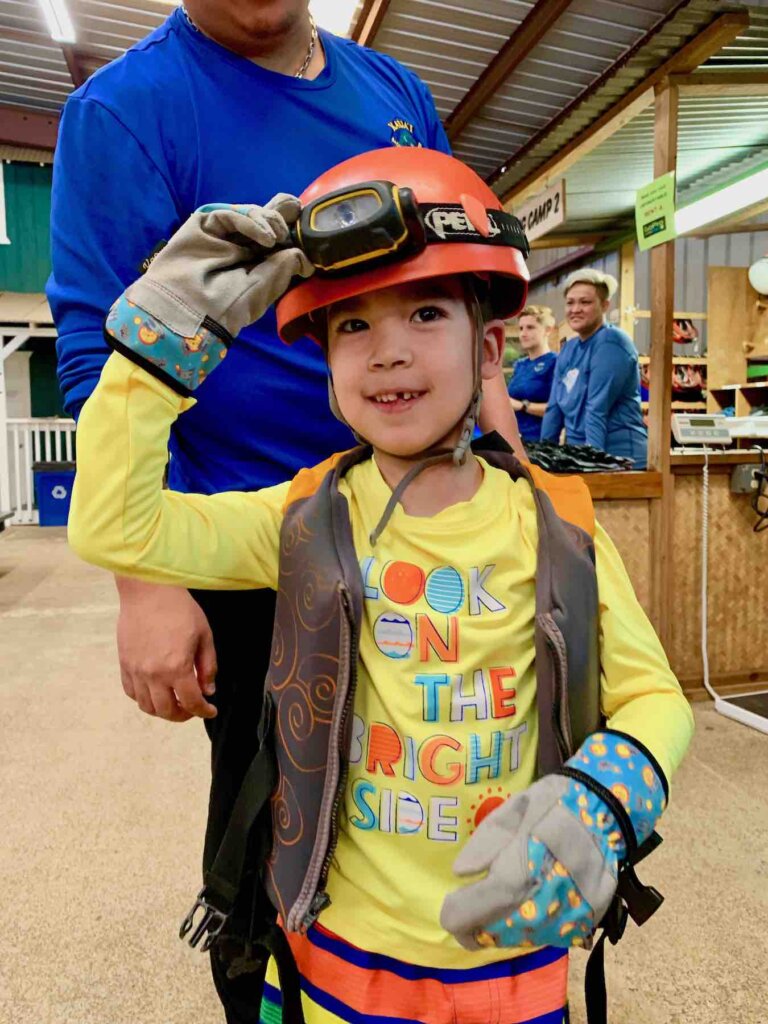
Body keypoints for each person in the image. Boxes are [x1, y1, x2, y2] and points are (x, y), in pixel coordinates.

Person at [68, 147, 693, 1024]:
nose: (388, 352)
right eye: (352, 325)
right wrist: (154, 350)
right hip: (334, 959)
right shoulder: (301, 518)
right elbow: (115, 527)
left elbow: (655, 699)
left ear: (488, 346)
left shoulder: (557, 523)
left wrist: (601, 802)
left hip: (513, 963)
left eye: (426, 311)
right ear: (322, 362)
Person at [46, 4, 520, 1018]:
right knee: (276, 829)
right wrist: (149, 580)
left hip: (429, 511)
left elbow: (458, 279)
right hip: (263, 545)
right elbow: (94, 348)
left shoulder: (393, 93)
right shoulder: (124, 111)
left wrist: (514, 468)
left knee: (440, 778)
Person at [541, 269, 648, 468]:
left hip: (619, 461)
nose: (575, 309)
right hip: (580, 458)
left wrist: (594, 465)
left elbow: (596, 410)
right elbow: (554, 409)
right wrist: (543, 459)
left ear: (605, 305)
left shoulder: (612, 343)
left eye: (585, 302)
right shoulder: (569, 349)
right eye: (570, 302)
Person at [507, 305, 557, 442]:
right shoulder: (520, 365)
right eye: (521, 328)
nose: (523, 333)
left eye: (530, 327)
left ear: (547, 330)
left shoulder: (555, 362)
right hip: (514, 440)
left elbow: (557, 409)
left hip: (540, 441)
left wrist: (523, 406)